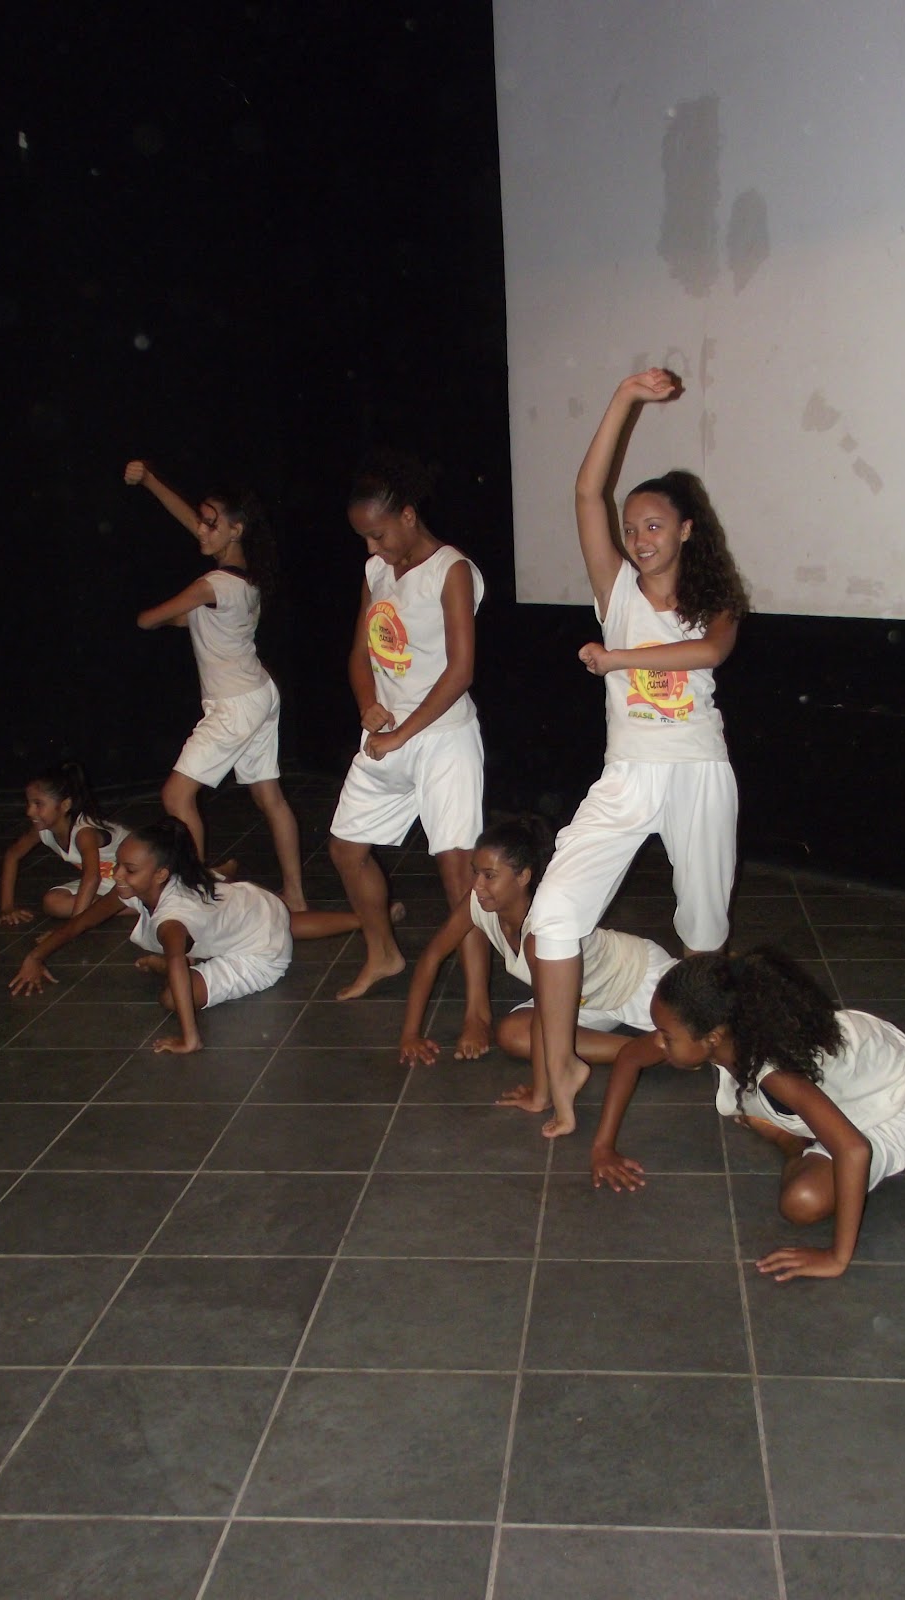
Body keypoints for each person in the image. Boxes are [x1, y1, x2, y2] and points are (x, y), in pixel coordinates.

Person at [528, 367, 749, 1137]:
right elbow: (585, 492)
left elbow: (708, 656)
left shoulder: (716, 601)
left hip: (698, 770)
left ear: (685, 530)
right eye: (630, 528)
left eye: (653, 525)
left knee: (704, 931)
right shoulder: (614, 589)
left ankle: (727, 1066)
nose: (638, 539)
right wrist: (623, 397)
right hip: (627, 773)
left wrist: (617, 660)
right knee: (553, 915)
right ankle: (560, 1066)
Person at [590, 948, 905, 1282]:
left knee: (802, 1202)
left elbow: (854, 1149)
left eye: (667, 1037)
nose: (658, 1042)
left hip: (892, 1099)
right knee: (794, 1112)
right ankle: (802, 1127)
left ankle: (790, 1141)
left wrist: (837, 1258)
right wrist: (603, 1147)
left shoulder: (777, 1075)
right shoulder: (731, 1033)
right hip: (855, 1066)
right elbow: (630, 1057)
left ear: (712, 1038)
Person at [329, 452, 489, 1025]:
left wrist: (403, 734)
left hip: (443, 738)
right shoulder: (376, 571)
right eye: (363, 538)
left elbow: (460, 671)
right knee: (346, 849)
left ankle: (477, 1005)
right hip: (388, 735)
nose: (372, 547)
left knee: (458, 874)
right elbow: (360, 653)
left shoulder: (452, 570)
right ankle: (383, 954)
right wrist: (368, 705)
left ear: (408, 515)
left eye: (378, 534)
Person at [8, 819, 375, 1050]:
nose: (117, 875)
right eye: (118, 864)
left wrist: (190, 1038)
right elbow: (80, 922)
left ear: (161, 875)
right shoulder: (140, 886)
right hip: (256, 909)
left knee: (172, 997)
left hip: (257, 951)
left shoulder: (172, 921)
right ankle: (368, 919)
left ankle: (368, 919)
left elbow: (174, 963)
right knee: (282, 925)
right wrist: (34, 957)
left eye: (128, 869)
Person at [124, 460, 307, 911]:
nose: (201, 530)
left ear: (235, 530)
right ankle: (296, 895)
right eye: (202, 521)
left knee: (175, 794)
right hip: (259, 693)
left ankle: (195, 898)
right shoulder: (248, 577)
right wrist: (150, 480)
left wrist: (159, 615)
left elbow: (148, 620)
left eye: (211, 524)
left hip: (234, 704)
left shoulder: (211, 585)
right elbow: (193, 610)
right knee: (269, 797)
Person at [398, 816, 675, 1106]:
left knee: (698, 1030)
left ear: (523, 877)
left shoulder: (539, 934)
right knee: (511, 1034)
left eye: (489, 876)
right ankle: (647, 1051)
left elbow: (546, 1015)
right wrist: (410, 1035)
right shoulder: (476, 904)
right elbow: (431, 957)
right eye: (475, 872)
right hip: (582, 1003)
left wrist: (540, 1095)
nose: (477, 885)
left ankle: (658, 1048)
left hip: (635, 979)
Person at [0, 761, 129, 925]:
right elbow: (12, 855)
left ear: (65, 805)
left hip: (136, 877)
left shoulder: (84, 833)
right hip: (107, 881)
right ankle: (119, 905)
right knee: (53, 902)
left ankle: (139, 904)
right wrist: (7, 907)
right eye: (29, 803)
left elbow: (92, 877)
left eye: (38, 804)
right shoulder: (42, 829)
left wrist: (71, 929)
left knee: (80, 901)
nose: (29, 811)